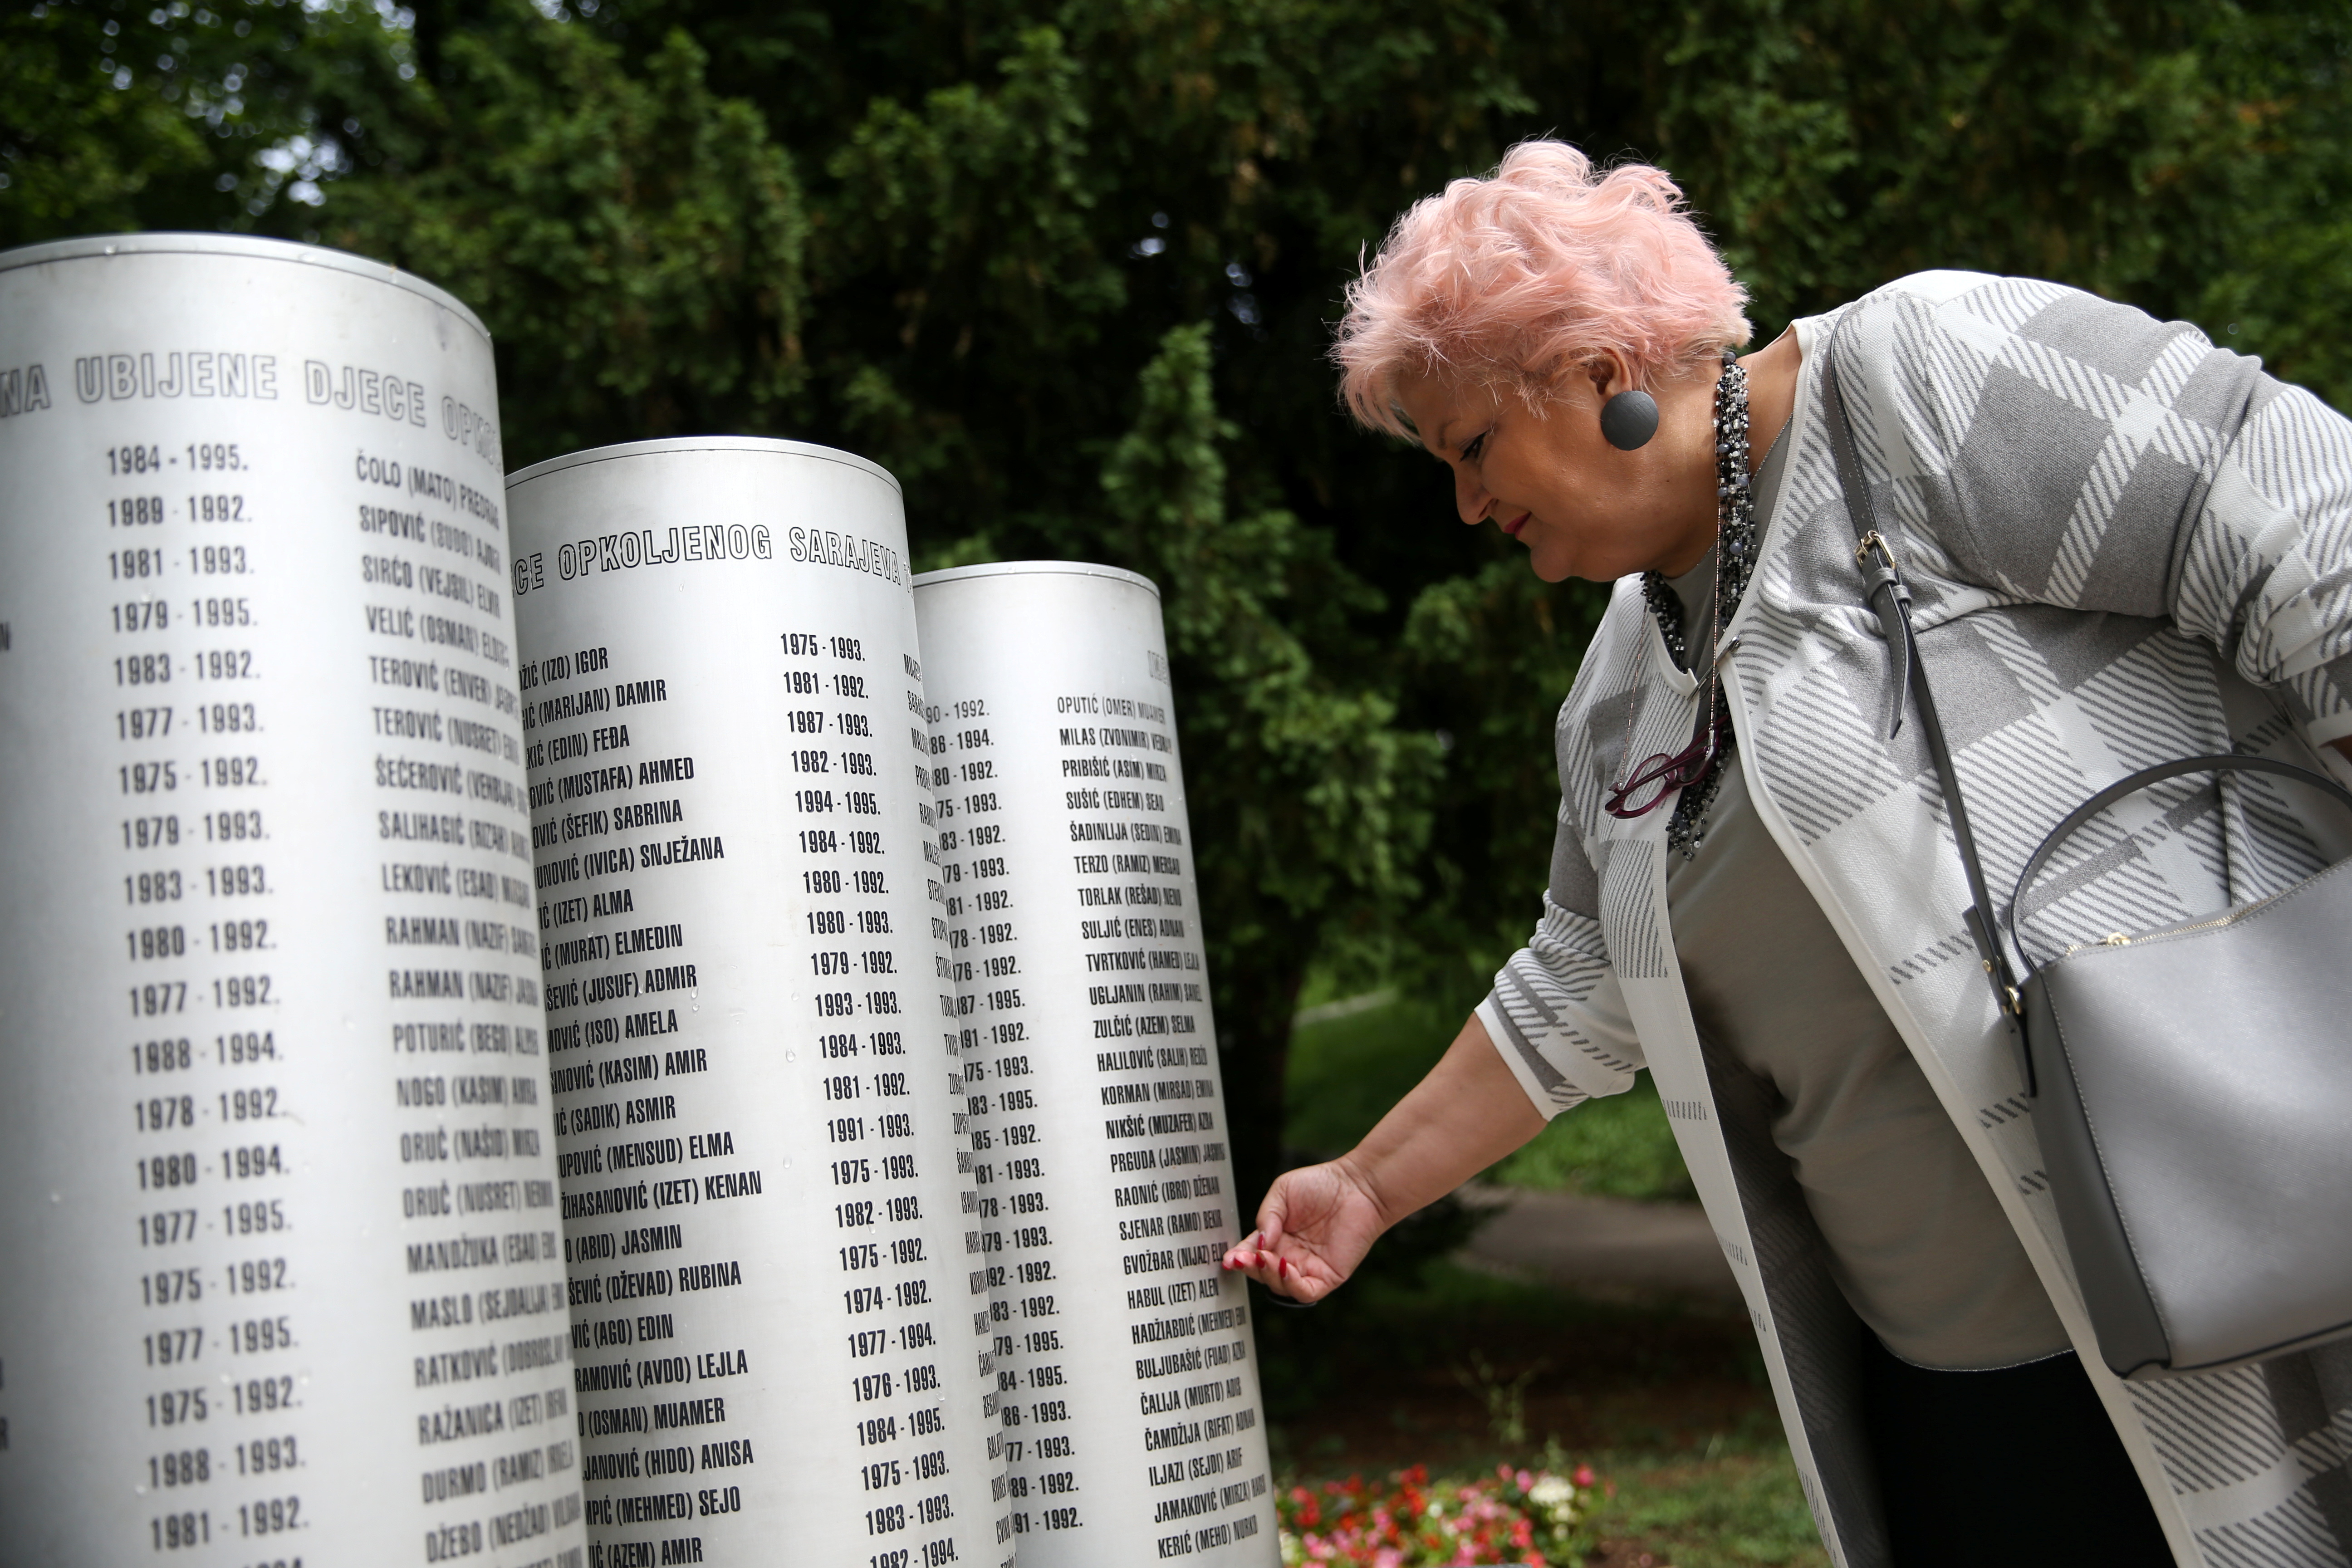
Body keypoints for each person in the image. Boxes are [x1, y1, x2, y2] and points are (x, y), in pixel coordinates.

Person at [1220, 141, 2352, 1567]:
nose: (1464, 507)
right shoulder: (1622, 691)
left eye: (1468, 447)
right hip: (1947, 1404)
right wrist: (1371, 1187)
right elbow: (1581, 983)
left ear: (1595, 363)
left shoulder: (1913, 383)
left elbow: (2296, 516)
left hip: (2247, 1288)